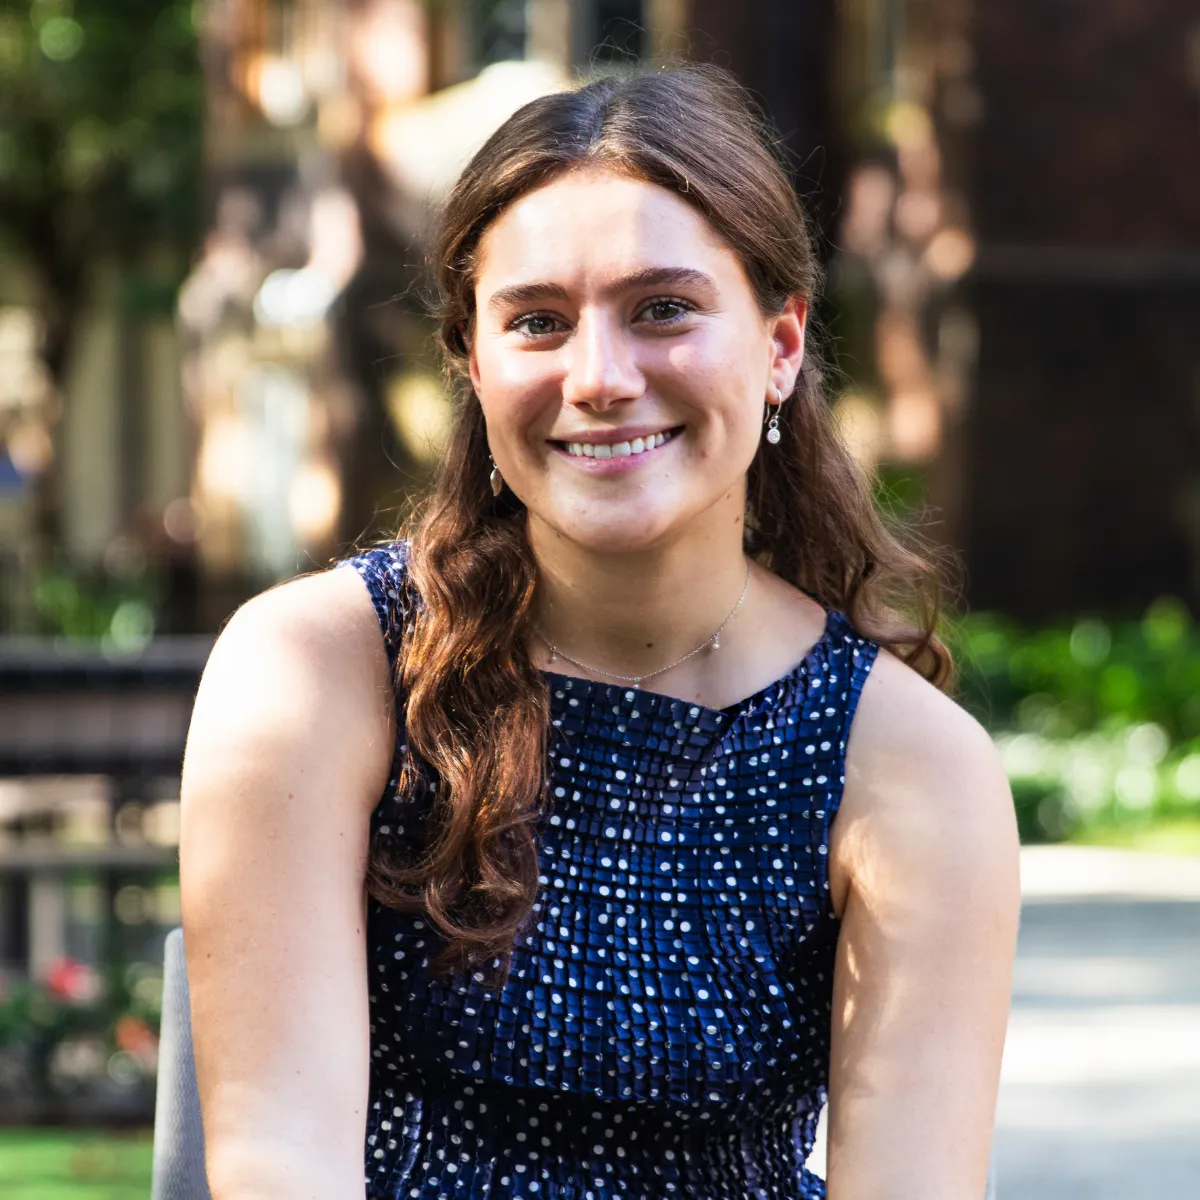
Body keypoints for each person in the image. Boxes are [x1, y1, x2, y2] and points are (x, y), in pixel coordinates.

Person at [179, 64, 1019, 1200]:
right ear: (473, 366)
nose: (600, 377)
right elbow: (279, 1159)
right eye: (537, 322)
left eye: (663, 309)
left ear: (778, 348)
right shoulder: (319, 673)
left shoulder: (914, 767)